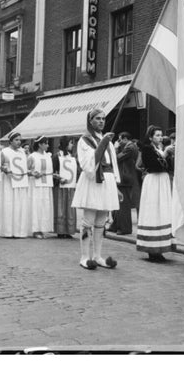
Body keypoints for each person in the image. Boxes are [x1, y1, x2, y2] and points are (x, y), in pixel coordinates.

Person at [71, 109, 121, 270]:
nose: (101, 121)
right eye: (97, 118)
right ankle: (84, 256)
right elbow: (87, 165)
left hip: (107, 181)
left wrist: (116, 185)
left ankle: (97, 255)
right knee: (88, 221)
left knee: (101, 222)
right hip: (93, 182)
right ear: (90, 120)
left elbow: (112, 164)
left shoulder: (108, 140)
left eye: (103, 119)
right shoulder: (84, 140)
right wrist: (102, 144)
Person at [136, 125, 175, 261]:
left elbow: (169, 168)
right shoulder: (147, 149)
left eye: (161, 135)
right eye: (157, 135)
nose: (160, 137)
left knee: (163, 212)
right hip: (154, 181)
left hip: (162, 182)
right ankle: (152, 250)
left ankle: (160, 247)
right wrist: (165, 154)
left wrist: (169, 155)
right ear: (151, 137)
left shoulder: (160, 149)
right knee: (153, 212)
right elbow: (154, 166)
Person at [109, 131, 141, 236]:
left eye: (120, 140)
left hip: (126, 179)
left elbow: (116, 158)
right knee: (119, 204)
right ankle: (116, 225)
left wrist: (116, 147)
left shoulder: (130, 147)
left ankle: (125, 228)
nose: (119, 142)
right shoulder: (130, 146)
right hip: (125, 178)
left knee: (124, 205)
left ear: (125, 139)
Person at [1, 131, 30, 238]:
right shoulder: (4, 151)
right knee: (9, 204)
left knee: (20, 205)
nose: (19, 142)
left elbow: (25, 166)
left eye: (20, 140)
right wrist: (5, 169)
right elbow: (0, 165)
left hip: (21, 181)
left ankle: (19, 231)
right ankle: (8, 231)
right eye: (16, 140)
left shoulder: (23, 152)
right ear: (10, 141)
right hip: (9, 181)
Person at [27, 136, 54, 239]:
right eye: (46, 143)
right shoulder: (32, 156)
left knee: (44, 206)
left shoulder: (48, 156)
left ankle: (42, 228)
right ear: (40, 144)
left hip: (46, 185)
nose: (48, 145)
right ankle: (35, 230)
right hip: (36, 186)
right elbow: (26, 171)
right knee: (36, 206)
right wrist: (33, 173)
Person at [52, 136, 78, 239]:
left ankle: (69, 230)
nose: (72, 145)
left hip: (70, 187)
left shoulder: (72, 157)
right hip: (61, 187)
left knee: (69, 208)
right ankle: (60, 231)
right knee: (61, 207)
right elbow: (53, 172)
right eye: (71, 143)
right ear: (66, 144)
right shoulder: (56, 156)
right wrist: (59, 178)